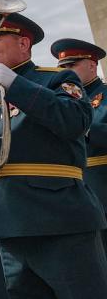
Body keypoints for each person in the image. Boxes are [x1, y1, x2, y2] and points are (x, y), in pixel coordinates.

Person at [0, 16, 107, 297]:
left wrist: (16, 85)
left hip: (58, 218)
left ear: (24, 43)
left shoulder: (56, 79)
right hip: (5, 222)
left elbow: (74, 121)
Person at [51, 37, 107, 233]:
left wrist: (81, 125)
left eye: (72, 65)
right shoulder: (61, 102)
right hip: (74, 191)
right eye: (61, 67)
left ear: (92, 65)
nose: (65, 72)